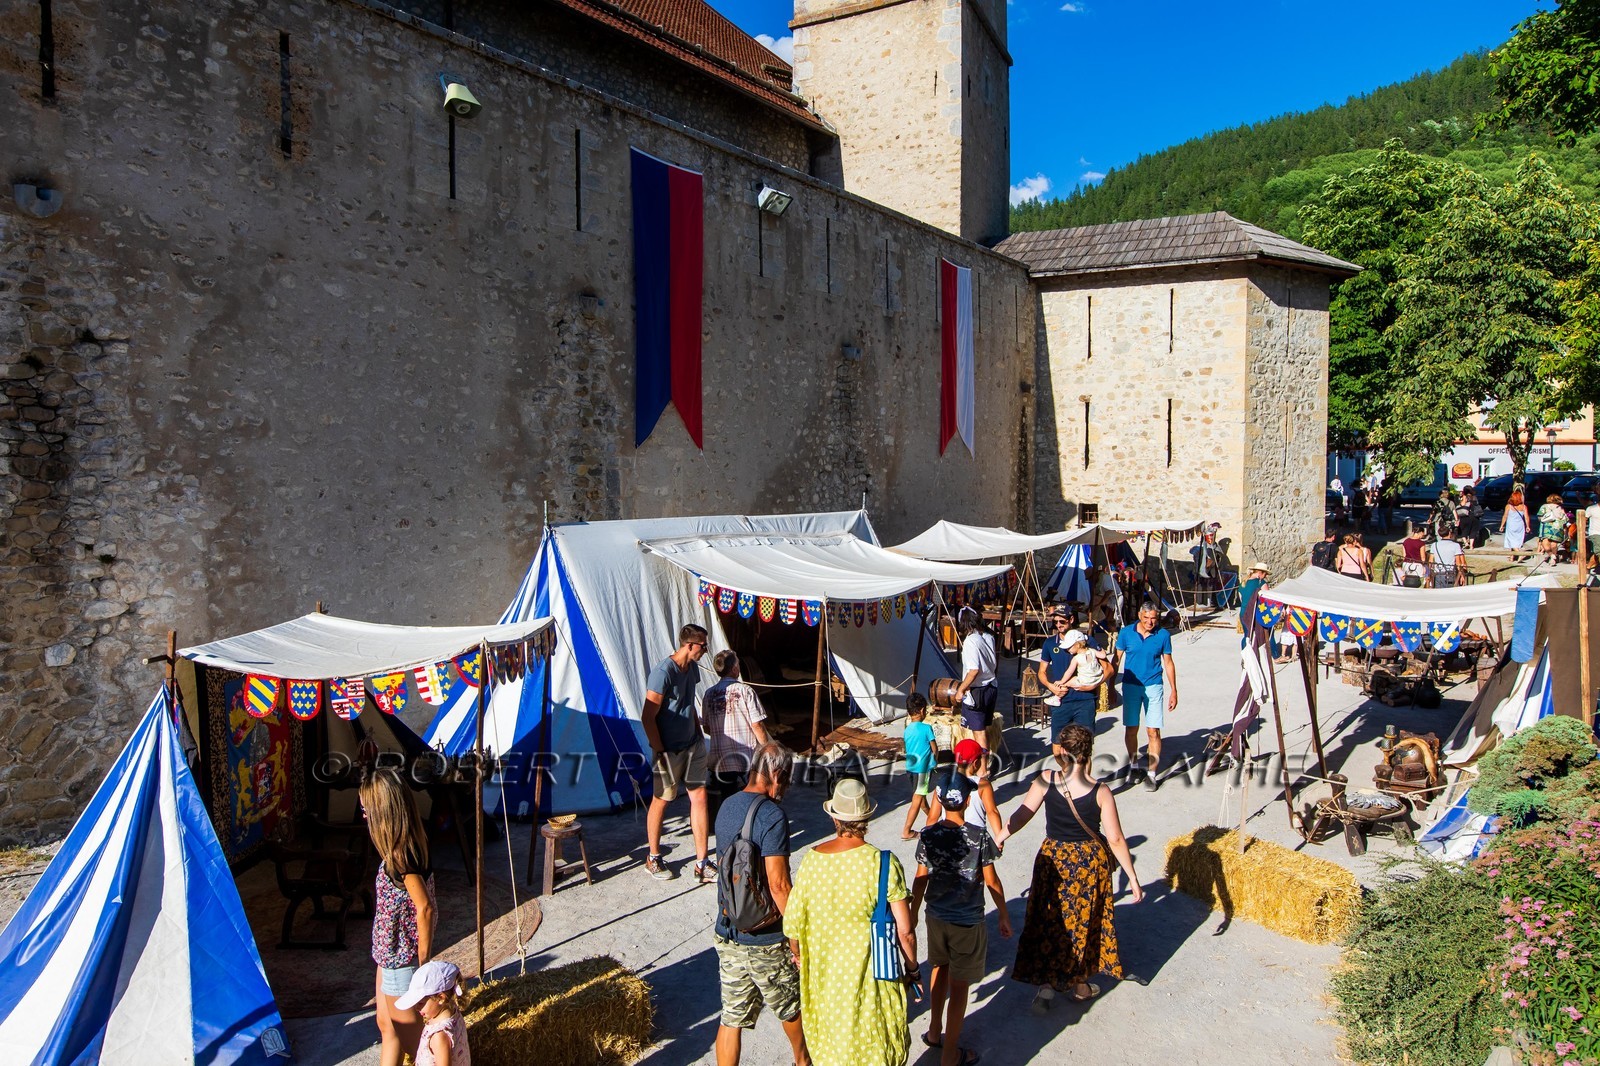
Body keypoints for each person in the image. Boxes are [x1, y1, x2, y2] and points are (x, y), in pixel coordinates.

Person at [998, 724, 1142, 1015]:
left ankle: (1047, 987)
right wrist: (1133, 877)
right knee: (1083, 923)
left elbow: (1023, 813)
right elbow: (1114, 838)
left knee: (1051, 920)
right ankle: (1080, 986)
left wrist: (1001, 835)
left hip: (1054, 859)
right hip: (1088, 863)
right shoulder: (1101, 792)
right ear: (1089, 751)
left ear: (1061, 751)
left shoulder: (1045, 780)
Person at [785, 779, 916, 1066]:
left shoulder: (811, 861)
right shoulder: (883, 863)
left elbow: (793, 924)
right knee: (874, 1048)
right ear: (867, 817)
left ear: (834, 817)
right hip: (872, 979)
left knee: (833, 1049)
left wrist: (798, 953)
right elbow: (905, 931)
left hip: (824, 976)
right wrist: (913, 968)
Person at [713, 742, 810, 1066]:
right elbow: (779, 885)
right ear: (777, 774)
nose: (786, 787)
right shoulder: (772, 815)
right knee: (791, 1007)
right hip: (766, 938)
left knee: (731, 1017)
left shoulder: (727, 806)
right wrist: (796, 938)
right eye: (787, 779)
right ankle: (803, 1061)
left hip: (728, 929)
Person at [910, 771, 1012, 1066]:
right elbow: (992, 881)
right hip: (967, 921)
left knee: (939, 968)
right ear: (968, 801)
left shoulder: (928, 835)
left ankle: (933, 1031)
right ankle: (951, 1054)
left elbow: (920, 878)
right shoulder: (978, 836)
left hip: (935, 917)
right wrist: (1003, 914)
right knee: (959, 987)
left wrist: (915, 912)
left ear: (938, 800)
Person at [361, 769, 438, 1066]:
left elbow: (425, 908)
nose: (364, 816)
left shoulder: (400, 859)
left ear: (382, 813)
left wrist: (422, 962)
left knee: (416, 1047)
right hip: (388, 957)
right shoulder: (407, 844)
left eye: (367, 810)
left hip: (400, 960)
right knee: (386, 1024)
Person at [644, 623, 714, 882]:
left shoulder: (692, 668)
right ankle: (652, 857)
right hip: (668, 749)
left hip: (692, 744)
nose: (706, 651)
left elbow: (689, 703)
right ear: (690, 645)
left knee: (700, 798)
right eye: (703, 646)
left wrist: (697, 733)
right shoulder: (663, 673)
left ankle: (702, 862)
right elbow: (647, 716)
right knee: (662, 800)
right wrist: (659, 750)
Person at [1112, 602, 1176, 790]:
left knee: (1153, 731)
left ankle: (1152, 774)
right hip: (1131, 686)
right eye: (1146, 618)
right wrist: (1109, 686)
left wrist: (1174, 690)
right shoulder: (1126, 633)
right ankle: (1133, 766)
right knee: (1131, 728)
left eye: (1154, 618)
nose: (1150, 622)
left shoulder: (1163, 635)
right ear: (1140, 615)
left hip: (1154, 686)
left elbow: (1169, 663)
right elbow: (1116, 659)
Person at [703, 649, 773, 818]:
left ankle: (732, 827)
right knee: (758, 795)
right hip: (746, 756)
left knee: (728, 799)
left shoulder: (709, 694)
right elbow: (757, 724)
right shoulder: (745, 691)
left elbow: (706, 727)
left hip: (721, 758)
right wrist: (766, 748)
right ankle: (756, 825)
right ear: (734, 668)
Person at [394, 960, 471, 1066]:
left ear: (440, 998)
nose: (416, 1007)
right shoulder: (454, 1013)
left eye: (420, 1003)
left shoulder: (439, 1036)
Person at [929, 738, 1004, 842]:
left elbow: (932, 818)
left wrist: (930, 839)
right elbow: (992, 812)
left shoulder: (944, 783)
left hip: (950, 838)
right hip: (975, 839)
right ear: (976, 763)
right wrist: (999, 838)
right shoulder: (982, 785)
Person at [1039, 626, 1101, 739]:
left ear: (1071, 619)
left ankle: (1057, 695)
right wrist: (1051, 687)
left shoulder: (1089, 643)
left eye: (1062, 621)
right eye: (1055, 621)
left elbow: (1109, 669)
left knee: (1084, 746)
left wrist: (1092, 686)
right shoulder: (1049, 643)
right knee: (1058, 746)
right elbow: (1041, 671)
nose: (1058, 624)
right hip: (1063, 702)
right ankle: (1056, 698)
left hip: (1085, 701)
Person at [950, 607, 997, 751]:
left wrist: (961, 689)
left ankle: (983, 769)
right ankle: (984, 762)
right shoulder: (989, 637)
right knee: (983, 728)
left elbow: (974, 671)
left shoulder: (971, 641)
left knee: (979, 732)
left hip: (977, 691)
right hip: (991, 686)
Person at [900, 694, 938, 840]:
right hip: (923, 771)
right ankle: (907, 830)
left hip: (910, 768)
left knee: (921, 797)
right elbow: (934, 749)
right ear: (922, 710)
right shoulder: (927, 728)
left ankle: (933, 819)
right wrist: (935, 761)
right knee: (917, 799)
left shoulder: (907, 729)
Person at [1537, 494, 1569, 564]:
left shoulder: (1544, 506)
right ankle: (1553, 559)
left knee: (1544, 542)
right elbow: (1565, 520)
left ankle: (1551, 555)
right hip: (1558, 527)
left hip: (1546, 527)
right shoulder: (1560, 508)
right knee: (1554, 543)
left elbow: (1539, 516)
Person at [1501, 487, 1531, 556]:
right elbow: (1526, 517)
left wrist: (1502, 525)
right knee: (1516, 541)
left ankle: (1520, 554)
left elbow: (1505, 516)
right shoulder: (1524, 507)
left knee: (1511, 541)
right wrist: (1528, 526)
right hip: (1520, 526)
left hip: (1511, 525)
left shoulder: (1508, 506)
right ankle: (1512, 557)